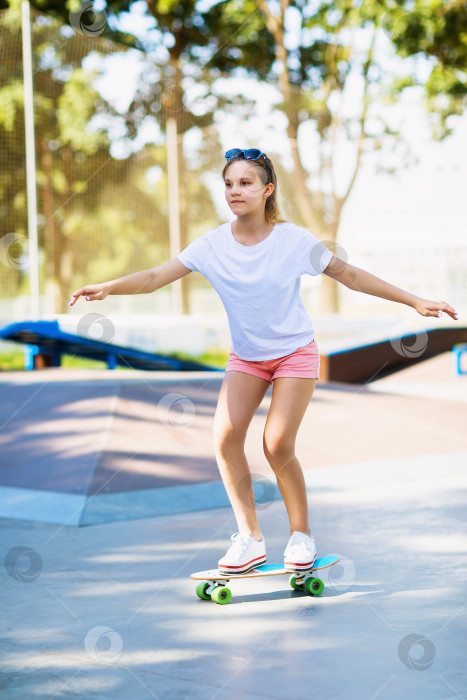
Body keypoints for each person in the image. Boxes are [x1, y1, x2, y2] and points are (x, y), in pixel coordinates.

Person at [69, 147, 459, 576]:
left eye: (245, 183)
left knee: (275, 444)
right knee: (224, 438)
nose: (235, 191)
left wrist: (414, 300)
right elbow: (154, 277)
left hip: (294, 353)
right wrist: (108, 287)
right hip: (247, 359)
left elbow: (349, 275)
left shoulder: (293, 241)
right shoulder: (212, 244)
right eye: (229, 184)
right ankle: (249, 539)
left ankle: (301, 535)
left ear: (267, 189)